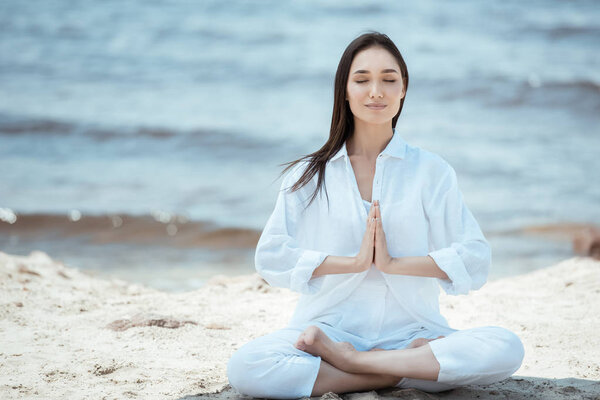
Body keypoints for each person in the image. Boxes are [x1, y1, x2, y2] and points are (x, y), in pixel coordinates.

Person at [227, 31, 525, 399]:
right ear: (344, 90)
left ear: (403, 89)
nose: (376, 92)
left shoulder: (430, 170)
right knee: (247, 366)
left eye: (389, 79)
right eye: (362, 79)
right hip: (330, 330)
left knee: (506, 346)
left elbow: (476, 257)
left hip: (413, 333)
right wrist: (352, 263)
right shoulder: (309, 175)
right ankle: (390, 371)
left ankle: (355, 366)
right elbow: (271, 257)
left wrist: (393, 263)